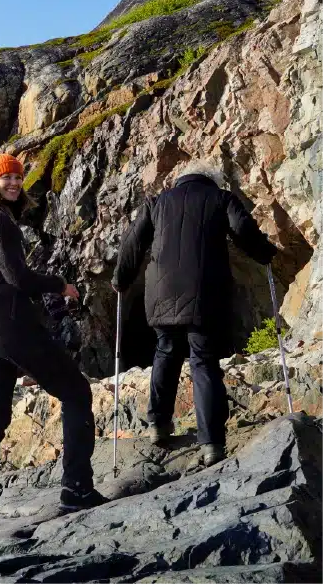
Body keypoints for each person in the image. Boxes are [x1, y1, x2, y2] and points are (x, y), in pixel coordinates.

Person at [0, 153, 105, 540]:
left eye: (17, 177)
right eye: (5, 178)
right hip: (11, 327)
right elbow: (18, 278)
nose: (13, 183)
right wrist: (60, 284)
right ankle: (76, 488)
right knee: (76, 392)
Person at [112, 162, 277, 468]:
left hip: (161, 294)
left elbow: (133, 243)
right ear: (211, 180)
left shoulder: (157, 203)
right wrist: (265, 253)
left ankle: (158, 426)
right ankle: (212, 442)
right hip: (204, 293)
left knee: (165, 351)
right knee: (203, 360)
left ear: (179, 180)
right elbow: (242, 229)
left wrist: (121, 279)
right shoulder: (221, 198)